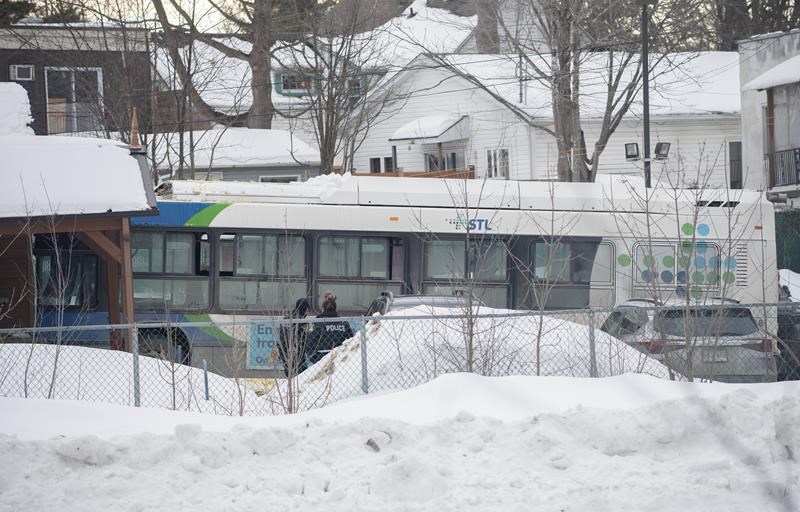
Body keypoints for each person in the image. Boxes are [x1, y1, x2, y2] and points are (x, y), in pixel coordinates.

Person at [304, 291, 354, 365]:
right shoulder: (343, 323)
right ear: (335, 309)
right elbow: (351, 342)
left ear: (323, 309)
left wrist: (316, 360)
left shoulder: (317, 323)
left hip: (320, 361)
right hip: (340, 362)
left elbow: (309, 344)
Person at [278, 297, 310, 376]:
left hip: (285, 355)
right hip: (298, 356)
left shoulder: (286, 319)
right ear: (306, 310)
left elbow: (282, 338)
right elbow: (307, 340)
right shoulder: (303, 322)